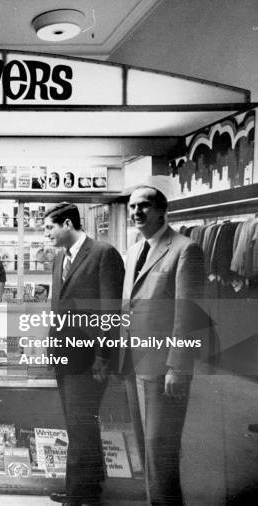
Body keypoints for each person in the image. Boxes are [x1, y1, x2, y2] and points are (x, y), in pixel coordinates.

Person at [122, 186, 205, 506]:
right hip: (133, 362)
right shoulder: (134, 251)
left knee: (161, 451)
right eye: (132, 207)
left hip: (163, 368)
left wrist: (178, 367)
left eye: (144, 206)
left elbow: (190, 312)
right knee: (145, 451)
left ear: (161, 210)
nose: (136, 212)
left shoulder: (185, 249)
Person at [42, 202, 124, 506]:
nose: (46, 234)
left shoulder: (104, 253)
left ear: (67, 224)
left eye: (49, 227)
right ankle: (84, 488)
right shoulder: (60, 257)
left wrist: (104, 356)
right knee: (77, 424)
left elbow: (110, 309)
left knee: (81, 423)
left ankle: (82, 495)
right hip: (64, 354)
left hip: (90, 358)